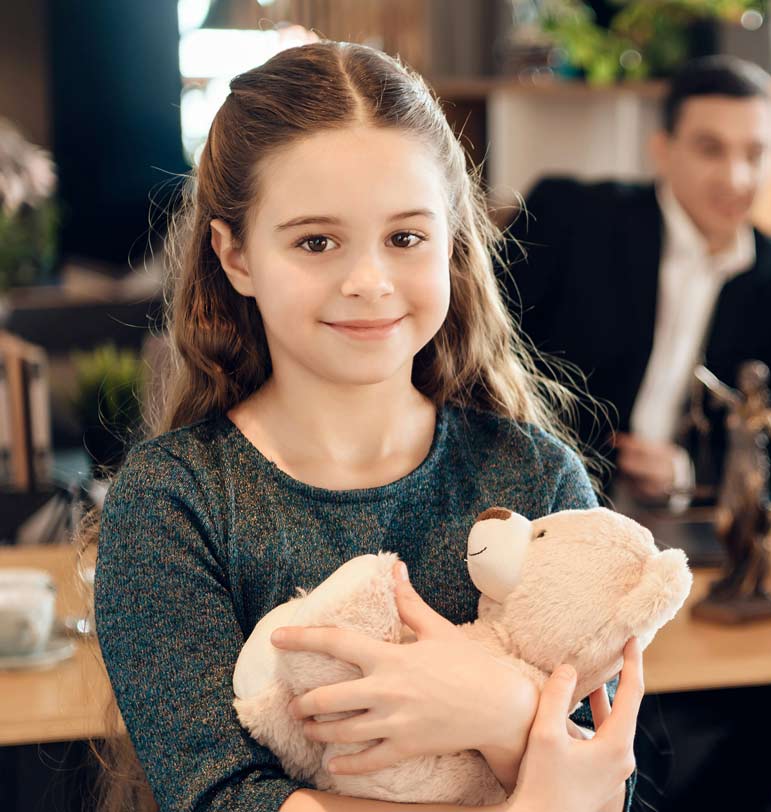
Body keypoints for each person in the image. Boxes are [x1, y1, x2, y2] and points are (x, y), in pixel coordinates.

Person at [92, 42, 639, 812]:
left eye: (405, 238)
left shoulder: (537, 477)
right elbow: (224, 797)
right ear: (235, 255)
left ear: (451, 241)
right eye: (316, 242)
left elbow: (605, 780)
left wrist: (497, 708)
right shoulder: (172, 503)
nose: (369, 281)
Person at [501, 55, 771, 508]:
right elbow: (478, 354)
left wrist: (685, 473)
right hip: (539, 498)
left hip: (682, 521)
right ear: (663, 150)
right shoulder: (570, 218)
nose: (736, 177)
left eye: (755, 154)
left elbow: (767, 451)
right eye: (711, 149)